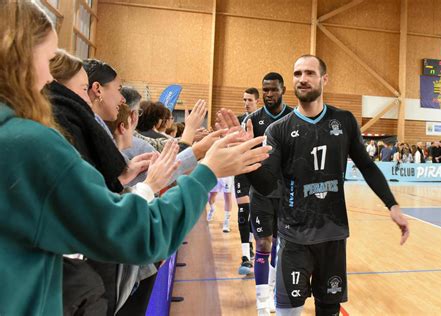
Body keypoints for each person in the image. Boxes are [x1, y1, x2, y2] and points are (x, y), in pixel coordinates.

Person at [0, 3, 271, 315]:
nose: (48, 77)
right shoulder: (30, 144)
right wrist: (207, 170)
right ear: (18, 56)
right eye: (47, 60)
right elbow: (135, 233)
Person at [246, 55, 409, 316]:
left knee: (329, 311)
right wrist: (248, 163)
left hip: (333, 235)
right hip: (293, 238)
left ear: (324, 79)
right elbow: (266, 185)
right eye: (298, 73)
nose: (303, 79)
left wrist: (392, 204)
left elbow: (367, 165)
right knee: (289, 312)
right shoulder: (279, 130)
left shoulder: (343, 121)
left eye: (309, 73)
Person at [246, 73, 293, 315]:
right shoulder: (253, 120)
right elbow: (246, 156)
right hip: (261, 193)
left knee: (281, 245)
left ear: (283, 89)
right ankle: (261, 299)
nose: (268, 94)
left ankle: (273, 291)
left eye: (273, 90)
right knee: (263, 243)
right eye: (265, 90)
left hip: (287, 194)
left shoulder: (295, 118)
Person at [234, 87, 260, 275]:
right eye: (244, 99)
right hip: (241, 169)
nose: (246, 103)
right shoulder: (239, 120)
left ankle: (253, 247)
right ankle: (245, 257)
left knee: (254, 212)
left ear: (257, 101)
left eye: (249, 100)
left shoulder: (263, 120)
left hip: (258, 170)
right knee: (243, 211)